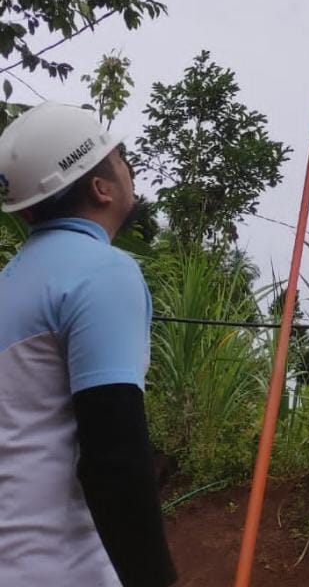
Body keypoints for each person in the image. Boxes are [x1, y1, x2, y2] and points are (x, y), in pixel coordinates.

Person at [0, 101, 177, 587]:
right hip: (58, 566)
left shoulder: (11, 282)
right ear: (101, 188)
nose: (128, 168)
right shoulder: (101, 271)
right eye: (119, 158)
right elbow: (113, 454)